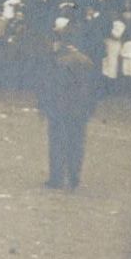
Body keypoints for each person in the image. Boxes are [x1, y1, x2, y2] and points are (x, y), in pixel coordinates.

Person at [38, 15, 100, 192]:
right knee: (77, 143)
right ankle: (74, 177)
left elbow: (52, 88)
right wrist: (89, 110)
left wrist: (46, 107)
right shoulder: (87, 62)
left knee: (57, 142)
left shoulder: (59, 62)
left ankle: (56, 178)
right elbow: (94, 90)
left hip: (60, 110)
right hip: (80, 111)